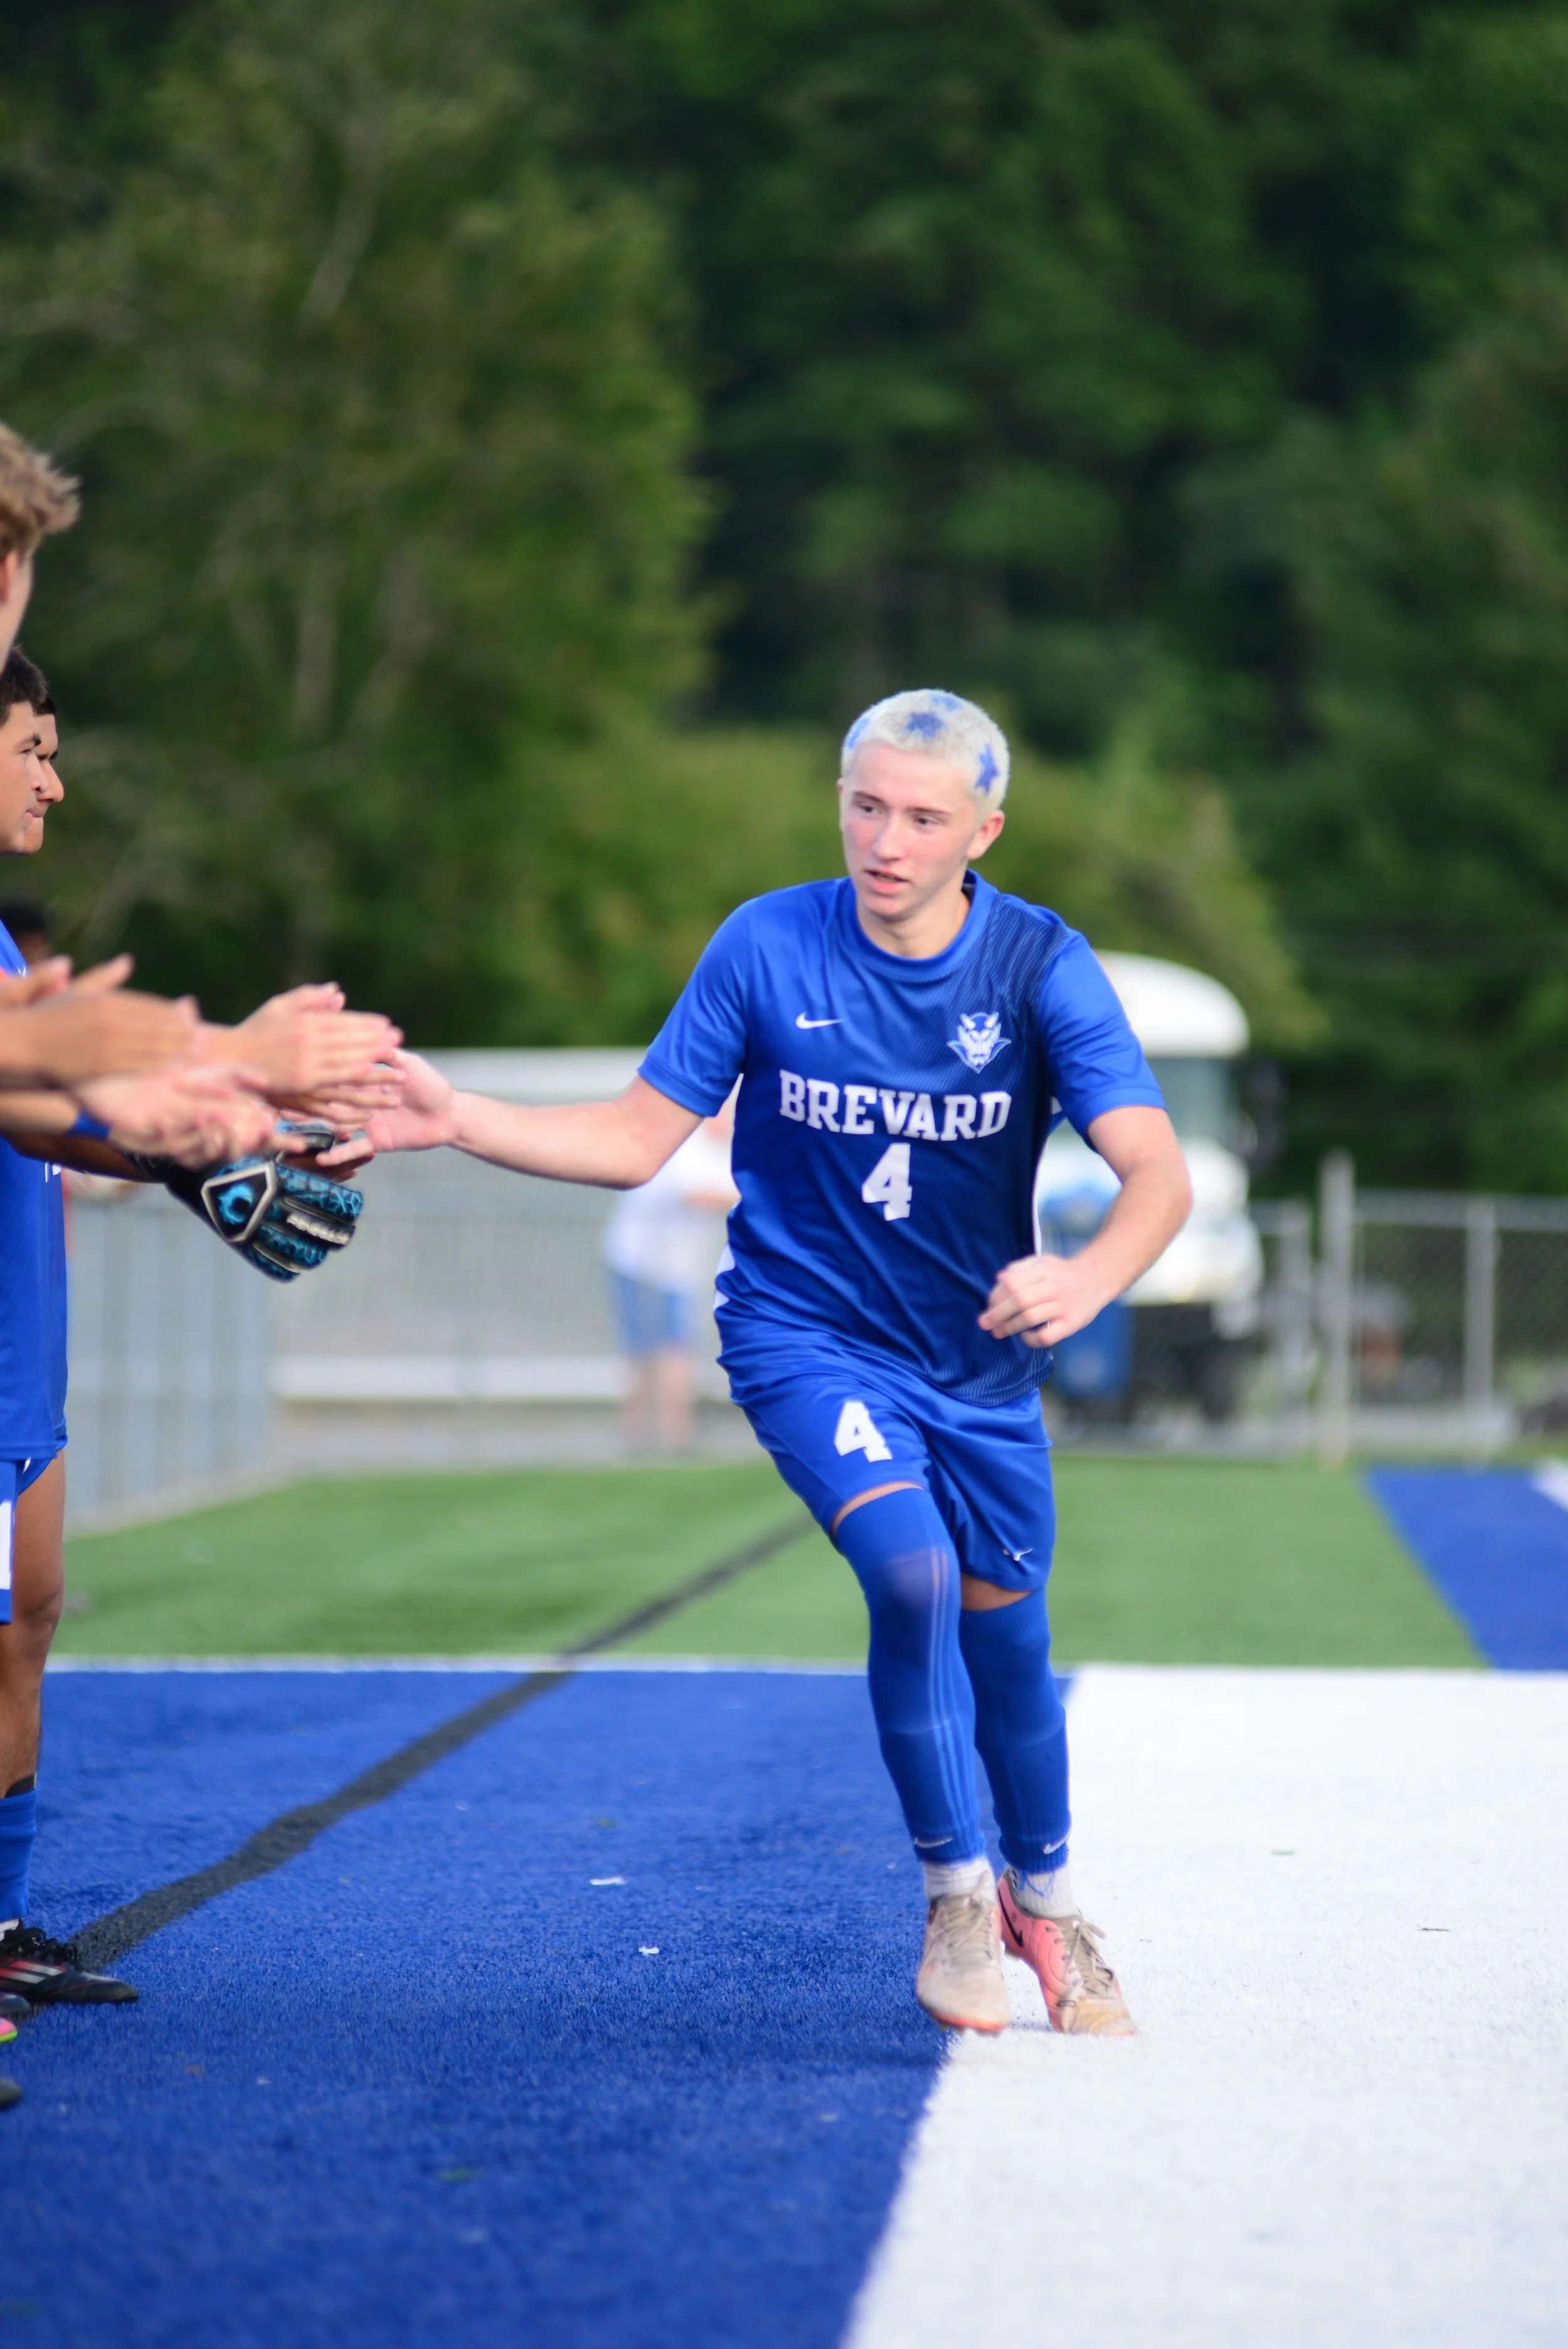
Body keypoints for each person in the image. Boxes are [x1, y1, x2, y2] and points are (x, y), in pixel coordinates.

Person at [334, 688, 1192, 2037]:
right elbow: (634, 1139)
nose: (887, 841)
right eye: (866, 806)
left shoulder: (1039, 963)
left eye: (923, 818)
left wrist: (1084, 1279)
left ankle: (1048, 1897)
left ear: (983, 831)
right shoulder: (765, 943)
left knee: (1010, 1643)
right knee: (908, 1572)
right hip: (805, 1337)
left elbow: (1157, 1173)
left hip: (975, 1366)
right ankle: (956, 1897)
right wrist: (454, 1118)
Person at [0, 645, 402, 2030]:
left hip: (22, 1350)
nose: (53, 779)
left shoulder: (6, 941)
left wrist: (196, 1149)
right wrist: (219, 1086)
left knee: (27, 1620)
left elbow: (43, 1108)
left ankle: (1, 1920)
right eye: (32, 748)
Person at [602, 1103, 738, 1451]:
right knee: (652, 1352)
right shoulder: (686, 1145)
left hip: (678, 1271)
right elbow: (695, 1193)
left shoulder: (726, 1154)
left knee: (671, 1349)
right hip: (643, 1264)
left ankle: (667, 1437)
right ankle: (653, 1436)